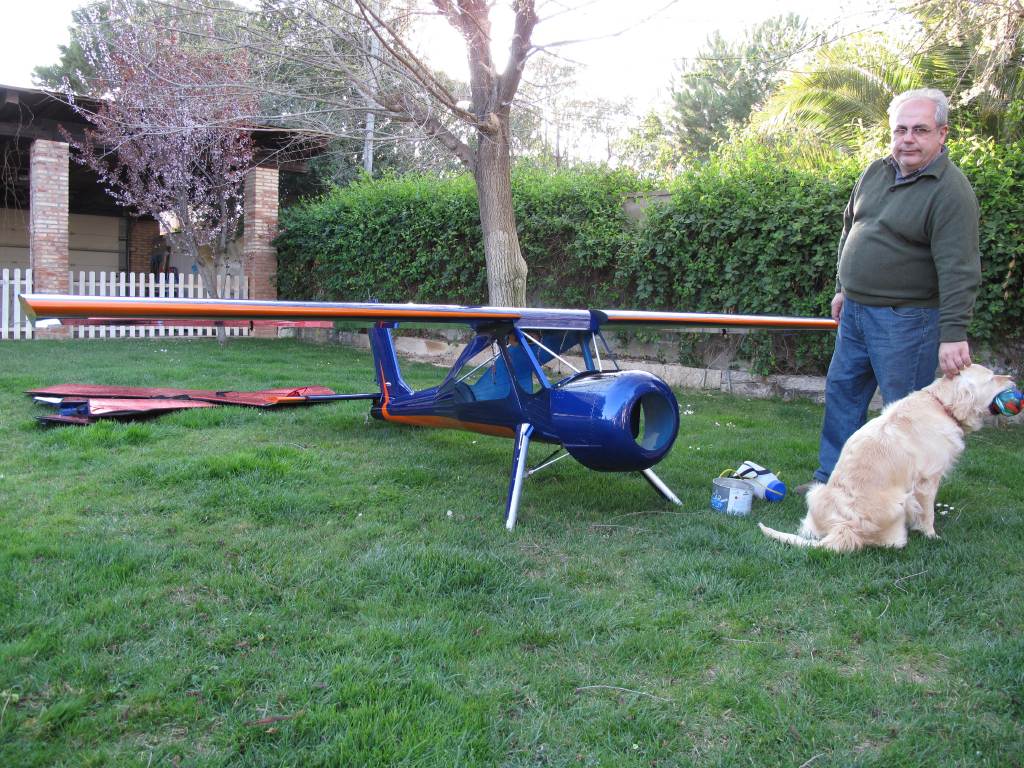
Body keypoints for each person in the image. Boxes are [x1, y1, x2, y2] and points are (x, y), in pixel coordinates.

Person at [804, 87, 982, 489]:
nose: (908, 139)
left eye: (920, 130)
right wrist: (842, 288)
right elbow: (851, 228)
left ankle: (905, 496)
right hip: (856, 312)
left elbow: (959, 268)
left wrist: (954, 333)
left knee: (907, 415)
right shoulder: (876, 172)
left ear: (942, 134)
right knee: (843, 397)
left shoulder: (950, 191)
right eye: (900, 130)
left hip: (908, 320)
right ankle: (834, 483)